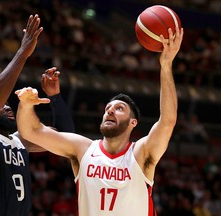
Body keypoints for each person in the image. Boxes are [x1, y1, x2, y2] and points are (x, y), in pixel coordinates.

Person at [15, 26, 184, 216]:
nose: (110, 110)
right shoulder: (83, 149)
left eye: (119, 109)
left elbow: (168, 121)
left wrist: (166, 65)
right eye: (107, 108)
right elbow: (30, 132)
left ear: (132, 123)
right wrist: (26, 105)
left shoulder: (141, 153)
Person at [0, 14, 74, 216]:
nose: (7, 107)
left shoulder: (20, 141)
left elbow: (66, 139)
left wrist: (56, 98)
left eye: (8, 104)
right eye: (2, 106)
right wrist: (22, 54)